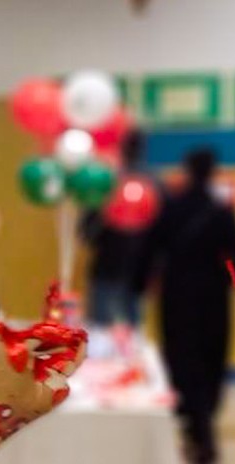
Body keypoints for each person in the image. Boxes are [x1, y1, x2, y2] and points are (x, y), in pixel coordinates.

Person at [134, 147, 235, 464]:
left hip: (176, 297)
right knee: (211, 361)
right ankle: (204, 425)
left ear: (188, 171)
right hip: (214, 297)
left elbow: (151, 251)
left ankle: (196, 428)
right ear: (213, 172)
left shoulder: (170, 208)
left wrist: (139, 284)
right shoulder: (222, 211)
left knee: (181, 362)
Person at [80, 128, 151, 327]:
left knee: (102, 332)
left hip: (109, 266)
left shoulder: (104, 182)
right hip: (135, 269)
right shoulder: (151, 182)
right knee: (133, 333)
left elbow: (86, 232)